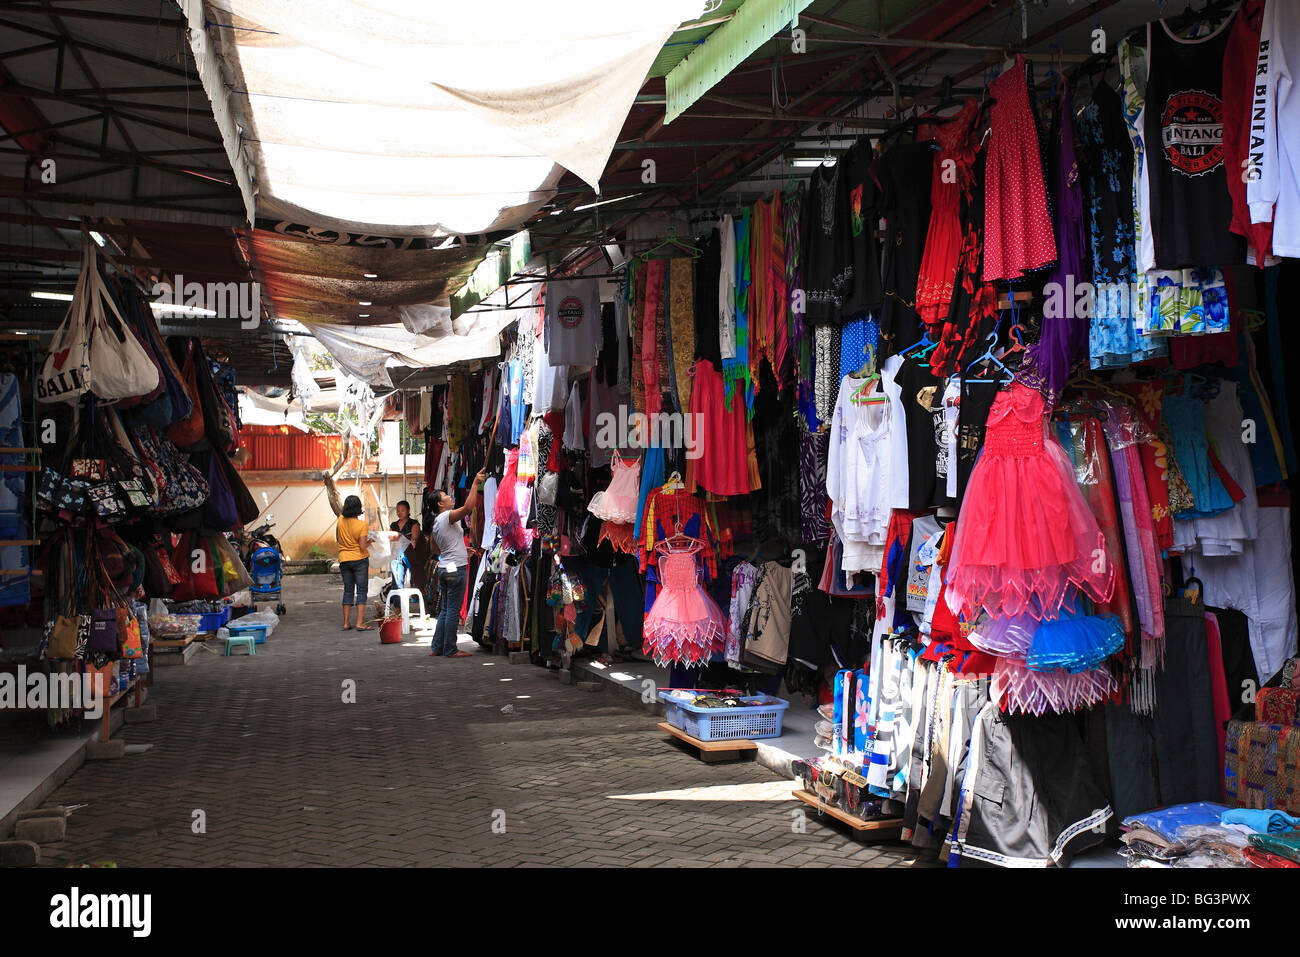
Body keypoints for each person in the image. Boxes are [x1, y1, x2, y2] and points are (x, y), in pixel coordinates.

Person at [428, 469, 486, 658]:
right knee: (452, 609)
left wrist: (461, 549)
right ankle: (450, 649)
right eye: (445, 496)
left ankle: (437, 646)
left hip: (445, 567)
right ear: (440, 504)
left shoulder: (437, 522)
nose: (450, 496)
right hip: (455, 569)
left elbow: (436, 549)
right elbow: (468, 508)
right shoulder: (446, 516)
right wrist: (475, 484)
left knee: (445, 608)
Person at [336, 494, 373, 631]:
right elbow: (363, 546)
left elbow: (338, 538)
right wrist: (371, 541)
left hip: (344, 559)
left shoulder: (340, 520)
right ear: (358, 508)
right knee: (362, 590)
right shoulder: (362, 525)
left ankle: (346, 622)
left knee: (348, 590)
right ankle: (360, 623)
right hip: (359, 560)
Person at [389, 500, 421, 590]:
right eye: (398, 511)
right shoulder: (394, 525)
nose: (400, 513)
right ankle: (398, 602)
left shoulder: (414, 523)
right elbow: (390, 539)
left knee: (414, 580)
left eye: (402, 510)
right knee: (397, 582)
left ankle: (416, 599)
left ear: (408, 511)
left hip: (411, 555)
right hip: (397, 556)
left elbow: (414, 539)